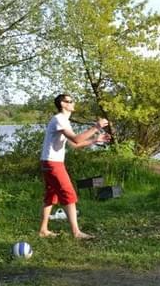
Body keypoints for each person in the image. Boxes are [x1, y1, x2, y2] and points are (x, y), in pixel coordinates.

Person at [38, 94, 110, 239]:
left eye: (72, 100)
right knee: (69, 195)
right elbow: (76, 139)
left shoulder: (63, 121)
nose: (73, 103)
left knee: (50, 196)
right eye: (70, 101)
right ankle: (76, 232)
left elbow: (75, 144)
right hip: (53, 163)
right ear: (62, 104)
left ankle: (43, 230)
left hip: (49, 162)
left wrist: (95, 140)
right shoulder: (59, 119)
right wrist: (96, 127)